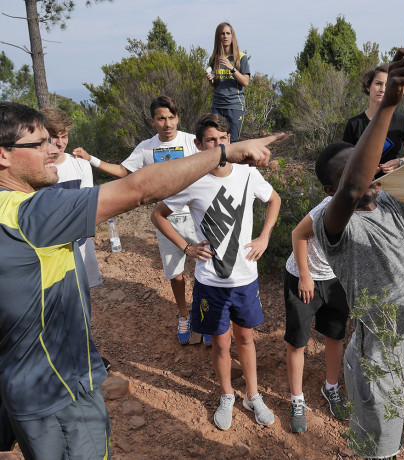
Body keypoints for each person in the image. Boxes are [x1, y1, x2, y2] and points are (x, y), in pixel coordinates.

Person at [0, 101, 279, 459]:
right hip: (57, 392)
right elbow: (139, 190)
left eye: (53, 140)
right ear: (4, 155)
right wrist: (227, 152)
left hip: (32, 384)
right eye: (39, 143)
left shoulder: (23, 209)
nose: (55, 148)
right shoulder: (32, 213)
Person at [312, 49, 404, 459]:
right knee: (376, 453)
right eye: (352, 171)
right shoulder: (334, 225)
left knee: (394, 446)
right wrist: (389, 104)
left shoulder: (392, 206)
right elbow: (350, 188)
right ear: (331, 191)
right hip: (377, 364)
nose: (369, 172)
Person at [151, 113, 281, 431]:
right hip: (211, 280)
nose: (219, 145)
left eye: (224, 139)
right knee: (221, 344)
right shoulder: (191, 180)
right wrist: (186, 247)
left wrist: (264, 237)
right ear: (198, 144)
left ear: (230, 140)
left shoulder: (247, 174)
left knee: (246, 339)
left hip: (245, 277)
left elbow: (274, 199)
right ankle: (227, 395)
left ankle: (253, 395)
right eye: (211, 140)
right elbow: (158, 214)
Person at [74, 96, 203, 345]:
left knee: (205, 269)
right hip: (166, 219)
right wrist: (91, 159)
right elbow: (124, 171)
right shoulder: (146, 147)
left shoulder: (191, 141)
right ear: (152, 121)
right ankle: (183, 315)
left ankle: (203, 315)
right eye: (161, 118)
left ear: (177, 118)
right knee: (175, 273)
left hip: (197, 215)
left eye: (171, 117)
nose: (167, 124)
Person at [284, 195, 350, 433]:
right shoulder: (330, 205)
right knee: (298, 340)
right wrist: (304, 275)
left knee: (335, 335)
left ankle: (331, 387)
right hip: (304, 277)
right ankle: (297, 399)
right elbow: (297, 234)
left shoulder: (367, 205)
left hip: (335, 280)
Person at [40, 107, 104, 289]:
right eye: (54, 136)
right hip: (48, 249)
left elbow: (86, 206)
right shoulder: (36, 169)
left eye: (64, 136)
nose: (60, 143)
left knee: (84, 295)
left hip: (80, 244)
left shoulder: (80, 163)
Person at [342, 64, 404, 178]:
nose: (383, 89)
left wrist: (400, 161)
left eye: (388, 85)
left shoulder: (403, 121)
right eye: (378, 83)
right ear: (368, 87)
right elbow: (345, 161)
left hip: (394, 187)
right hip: (363, 189)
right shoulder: (354, 124)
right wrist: (364, 170)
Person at [206, 22, 250, 143]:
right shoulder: (214, 58)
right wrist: (211, 80)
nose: (225, 36)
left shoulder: (241, 57)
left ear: (232, 36)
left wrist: (231, 68)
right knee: (217, 140)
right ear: (218, 37)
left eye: (228, 33)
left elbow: (245, 82)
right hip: (218, 105)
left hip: (234, 105)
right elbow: (216, 83)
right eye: (222, 33)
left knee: (233, 141)